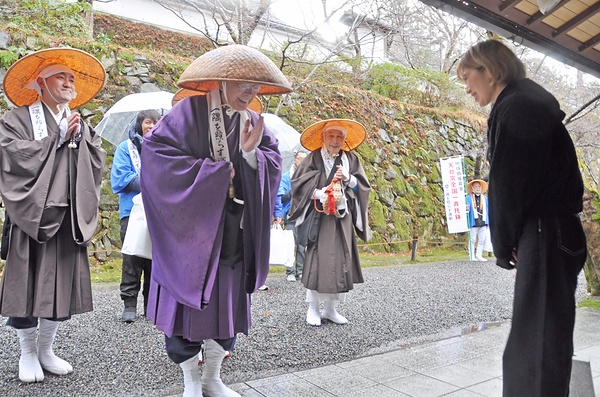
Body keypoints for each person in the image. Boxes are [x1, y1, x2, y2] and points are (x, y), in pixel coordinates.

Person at [140, 44, 291, 397]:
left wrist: (253, 155)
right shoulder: (187, 112)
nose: (249, 94)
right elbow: (157, 160)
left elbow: (272, 162)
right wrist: (214, 176)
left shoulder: (253, 121)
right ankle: (191, 381)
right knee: (185, 311)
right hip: (190, 236)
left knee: (225, 311)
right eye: (243, 85)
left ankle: (213, 378)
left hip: (234, 235)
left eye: (255, 88)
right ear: (221, 81)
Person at [457, 39, 587, 397]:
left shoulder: (518, 106)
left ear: (491, 70)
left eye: (469, 77)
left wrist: (504, 242)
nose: (467, 88)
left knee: (536, 342)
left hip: (546, 230)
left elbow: (510, 182)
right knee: (544, 337)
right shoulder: (527, 103)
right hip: (555, 229)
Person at [0, 47, 106, 383]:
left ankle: (46, 349)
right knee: (27, 285)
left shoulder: (77, 121)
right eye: (61, 76)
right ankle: (27, 351)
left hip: (67, 217)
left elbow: (95, 160)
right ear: (40, 84)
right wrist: (53, 142)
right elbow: (9, 156)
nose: (68, 82)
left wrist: (79, 142)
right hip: (32, 217)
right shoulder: (16, 120)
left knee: (59, 287)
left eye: (71, 78)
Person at [287, 119, 371, 326]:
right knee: (317, 262)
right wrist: (318, 192)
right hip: (320, 218)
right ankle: (313, 308)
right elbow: (298, 183)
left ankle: (331, 309)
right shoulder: (313, 158)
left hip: (342, 219)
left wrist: (349, 178)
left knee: (340, 262)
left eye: (339, 137)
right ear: (323, 138)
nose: (335, 140)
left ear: (344, 139)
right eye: (331, 136)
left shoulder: (351, 159)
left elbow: (363, 187)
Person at [111, 109, 161, 322]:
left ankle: (152, 305)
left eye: (156, 123)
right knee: (132, 258)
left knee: (156, 259)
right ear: (140, 123)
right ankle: (129, 303)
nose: (151, 127)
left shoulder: (164, 149)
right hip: (132, 211)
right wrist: (153, 184)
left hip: (159, 213)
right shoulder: (126, 148)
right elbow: (122, 179)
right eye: (148, 122)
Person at [273, 150, 308, 281]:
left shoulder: (308, 177)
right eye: (300, 159)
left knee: (302, 244)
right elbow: (281, 197)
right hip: (290, 214)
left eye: (305, 159)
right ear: (295, 160)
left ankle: (300, 270)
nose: (303, 162)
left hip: (305, 214)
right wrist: (294, 189)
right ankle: (290, 271)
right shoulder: (286, 177)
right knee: (290, 243)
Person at [465, 179, 490, 262]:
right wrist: (466, 209)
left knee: (482, 239)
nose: (477, 188)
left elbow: (488, 210)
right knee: (472, 239)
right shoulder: (468, 197)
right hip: (473, 221)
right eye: (476, 187)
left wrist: (489, 222)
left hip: (483, 221)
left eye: (479, 186)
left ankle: (479, 255)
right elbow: (465, 210)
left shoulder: (485, 198)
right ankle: (471, 255)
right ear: (472, 188)